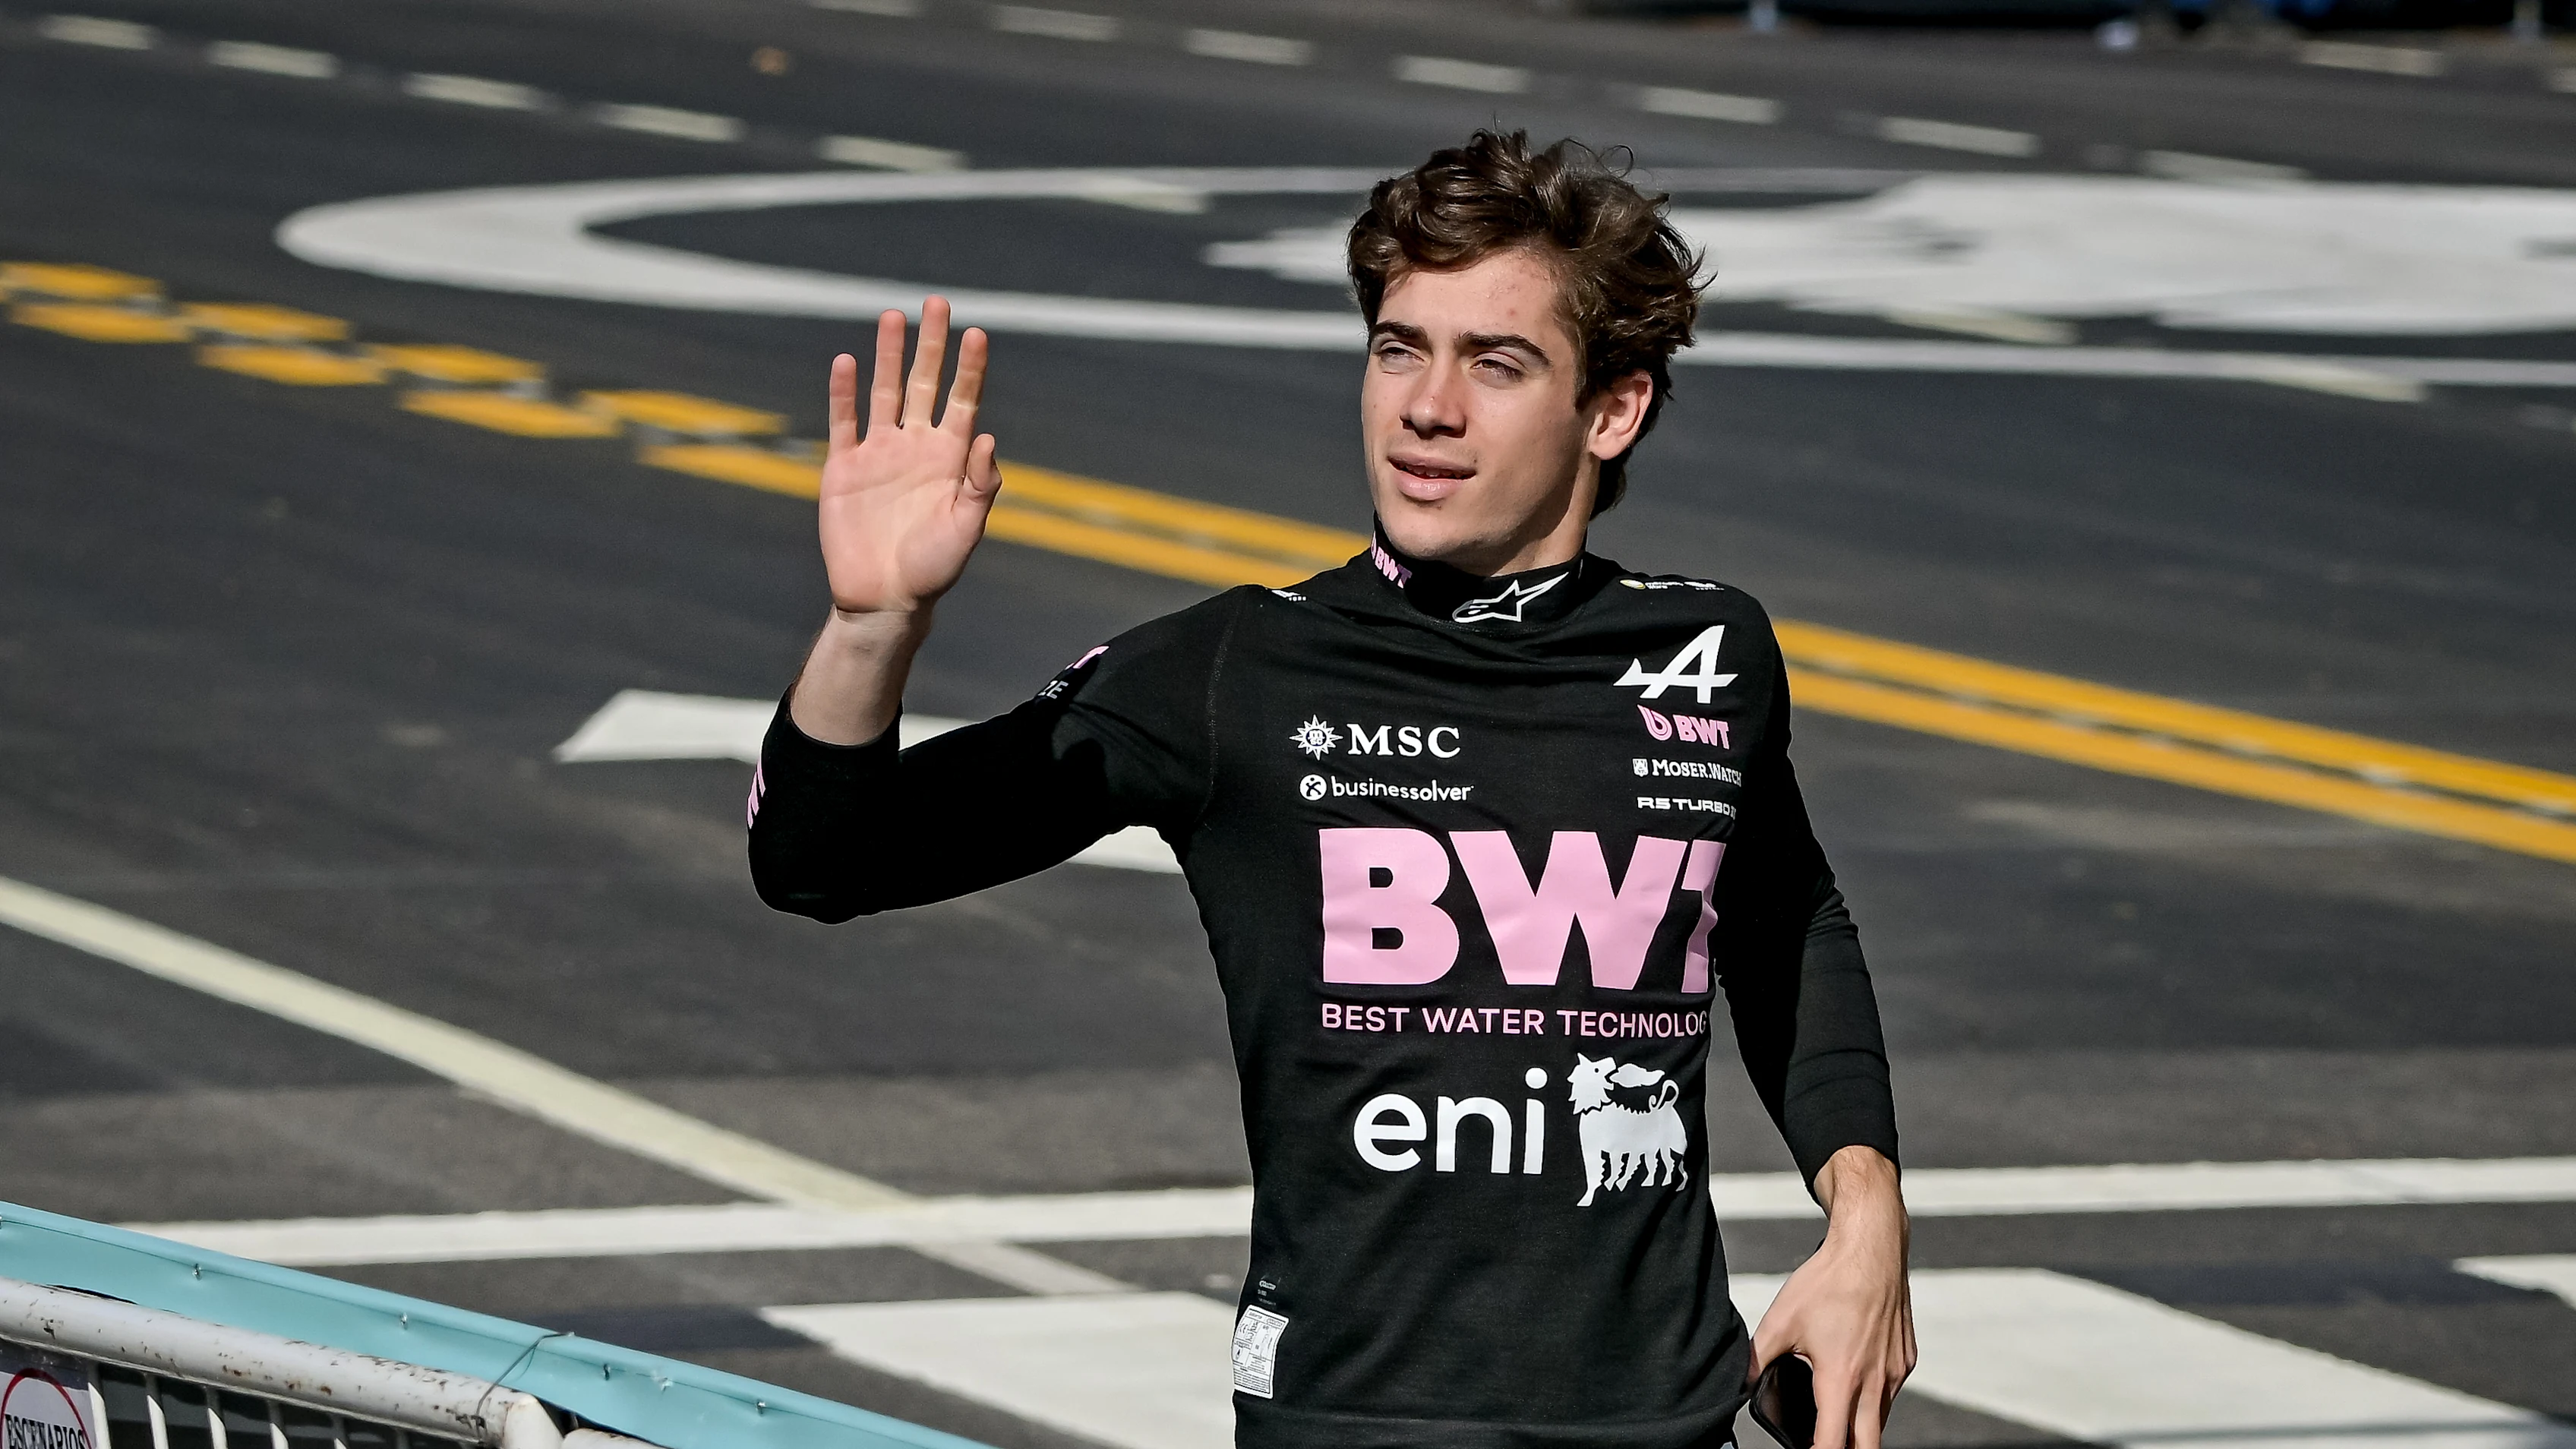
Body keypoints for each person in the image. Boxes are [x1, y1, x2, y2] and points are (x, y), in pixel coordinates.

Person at [750, 129, 1914, 1449]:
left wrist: (1866, 1212)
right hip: (1354, 1423)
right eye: (1400, 347)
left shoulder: (1712, 654)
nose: (1428, 405)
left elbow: (1780, 922)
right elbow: (820, 861)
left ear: (1613, 409)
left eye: (1498, 362)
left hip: (1666, 1421)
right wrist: (871, 627)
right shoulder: (1232, 668)